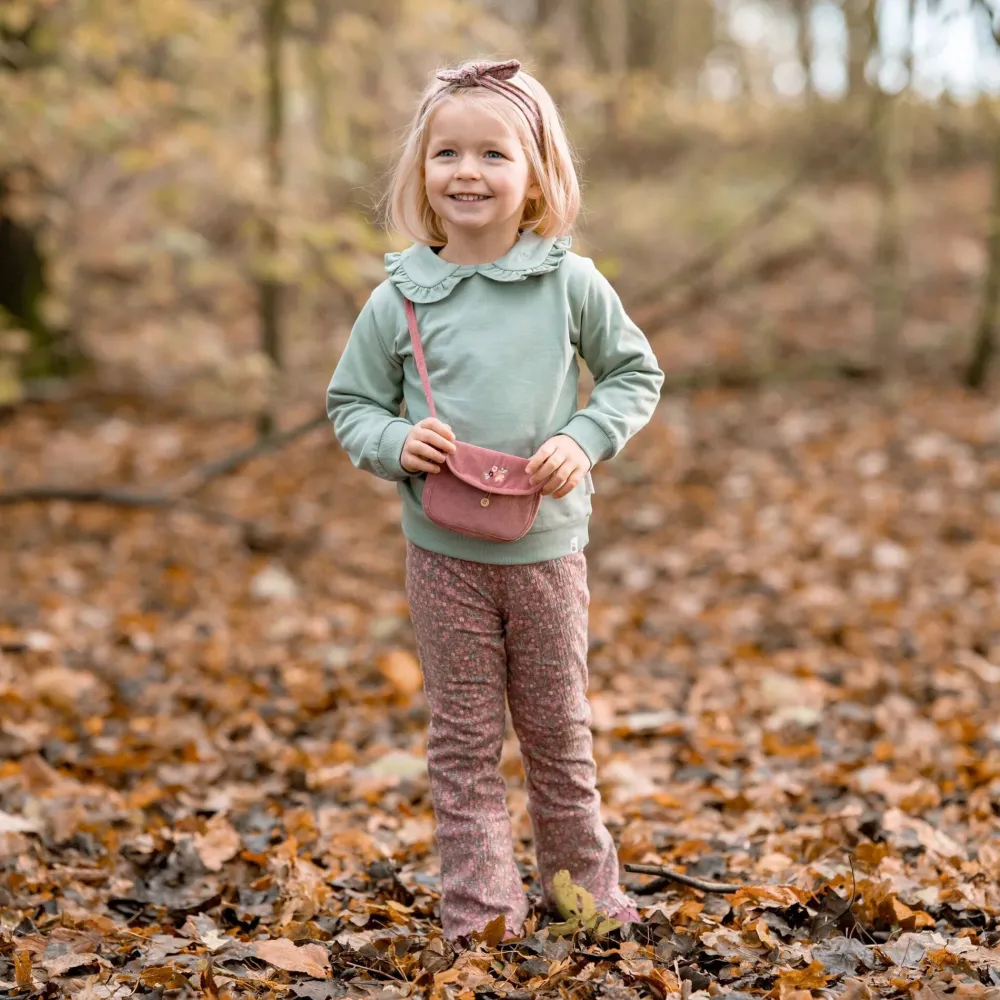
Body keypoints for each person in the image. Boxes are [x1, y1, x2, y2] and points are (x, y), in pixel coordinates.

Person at [326, 58, 664, 942]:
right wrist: (395, 443)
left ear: (537, 175)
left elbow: (634, 373)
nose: (467, 172)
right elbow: (350, 404)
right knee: (464, 740)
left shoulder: (569, 283)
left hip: (547, 550)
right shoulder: (398, 296)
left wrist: (581, 440)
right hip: (444, 558)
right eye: (446, 154)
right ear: (422, 176)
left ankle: (580, 890)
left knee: (558, 733)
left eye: (493, 154)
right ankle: (482, 910)